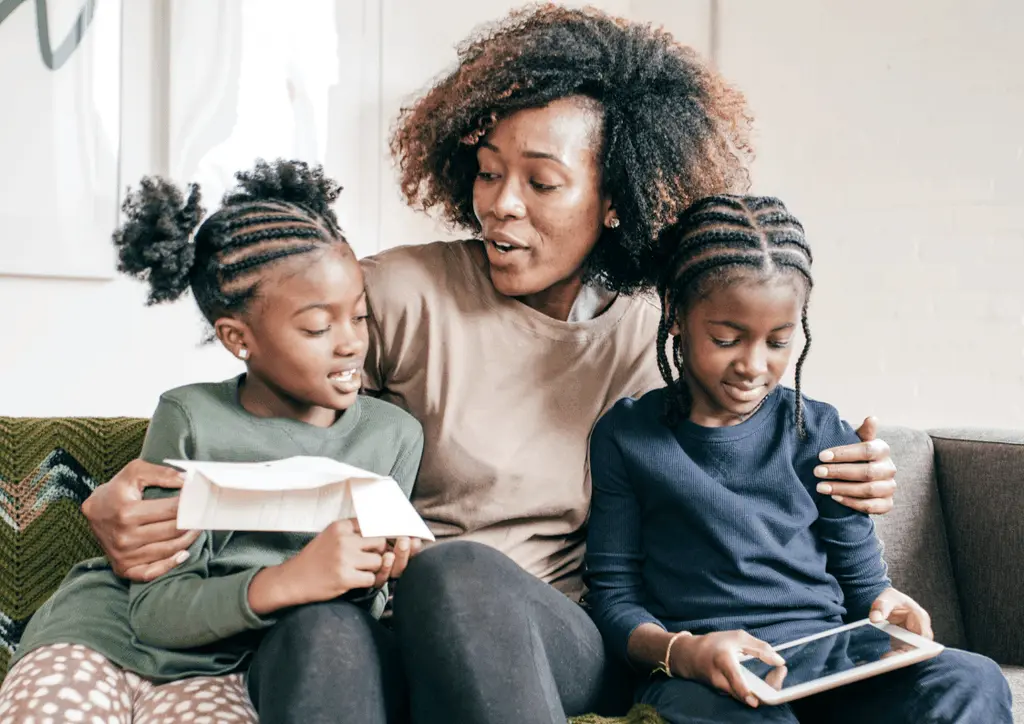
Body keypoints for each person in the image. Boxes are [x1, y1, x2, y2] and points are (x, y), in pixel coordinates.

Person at [74, 6, 899, 722]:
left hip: (547, 642)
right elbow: (260, 402)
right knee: (316, 626)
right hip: (374, 620)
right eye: (489, 171)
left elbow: (753, 424)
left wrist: (855, 472)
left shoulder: (654, 337)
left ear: (615, 200)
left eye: (541, 183)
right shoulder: (397, 291)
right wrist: (133, 496)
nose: (500, 202)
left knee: (457, 571)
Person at [0, 160, 423, 724]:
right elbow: (153, 613)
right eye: (319, 327)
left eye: (360, 318)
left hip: (224, 665)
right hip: (105, 640)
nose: (350, 344)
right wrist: (288, 579)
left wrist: (392, 566)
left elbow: (352, 614)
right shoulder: (191, 416)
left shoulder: (392, 435)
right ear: (237, 339)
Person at [583, 194, 1012, 723]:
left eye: (779, 342)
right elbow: (613, 598)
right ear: (674, 312)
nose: (753, 366)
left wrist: (888, 605)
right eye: (726, 338)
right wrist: (682, 652)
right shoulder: (627, 436)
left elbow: (864, 585)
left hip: (825, 663)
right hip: (710, 678)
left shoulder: (819, 429)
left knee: (971, 678)